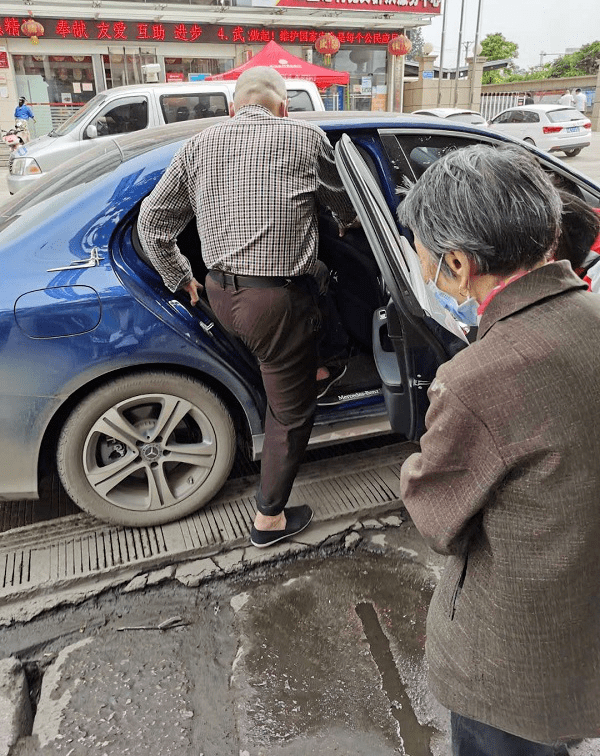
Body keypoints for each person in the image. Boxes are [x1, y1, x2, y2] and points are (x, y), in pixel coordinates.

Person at [397, 143, 600, 755]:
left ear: (458, 264)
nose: (426, 273)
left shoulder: (476, 378)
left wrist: (413, 464)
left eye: (427, 260)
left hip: (515, 651)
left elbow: (438, 514)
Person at [137, 66, 356, 548]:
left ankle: (315, 367)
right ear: (283, 106)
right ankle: (269, 521)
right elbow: (345, 209)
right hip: (274, 304)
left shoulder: (199, 144)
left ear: (234, 107)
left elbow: (153, 222)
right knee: (290, 415)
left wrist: (180, 277)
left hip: (219, 295)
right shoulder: (304, 136)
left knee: (317, 282)